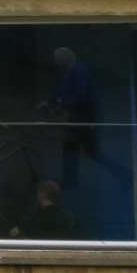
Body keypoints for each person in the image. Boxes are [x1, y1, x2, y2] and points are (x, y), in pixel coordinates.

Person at [37, 47, 99, 188]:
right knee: (70, 147)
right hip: (77, 115)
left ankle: (124, 174)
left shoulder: (79, 71)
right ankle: (71, 180)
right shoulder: (66, 72)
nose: (55, 62)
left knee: (91, 152)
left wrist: (59, 107)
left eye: (58, 60)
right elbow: (60, 90)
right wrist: (49, 102)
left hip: (87, 116)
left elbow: (79, 95)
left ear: (66, 60)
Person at [9, 180, 74, 240]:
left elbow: (14, 232)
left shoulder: (35, 221)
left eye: (39, 191)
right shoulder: (66, 218)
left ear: (42, 194)